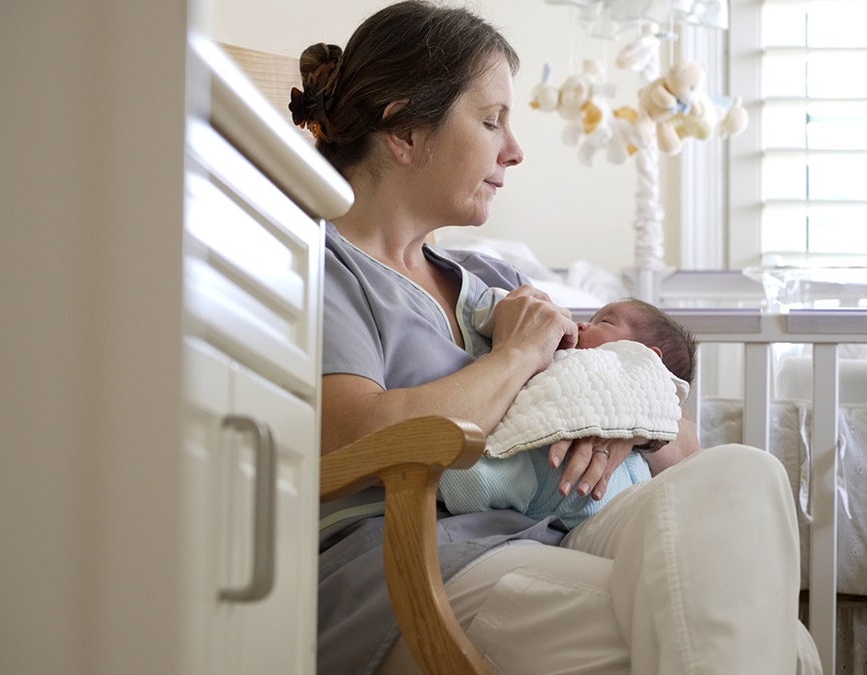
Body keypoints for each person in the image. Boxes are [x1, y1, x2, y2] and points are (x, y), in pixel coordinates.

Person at [293, 3, 814, 673]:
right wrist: (515, 356)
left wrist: (624, 419)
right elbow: (353, 436)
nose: (513, 150)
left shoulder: (490, 276)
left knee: (748, 471)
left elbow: (684, 449)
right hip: (417, 561)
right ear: (404, 131)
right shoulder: (326, 270)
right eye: (490, 121)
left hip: (559, 532)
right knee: (766, 641)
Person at [438, 298, 700, 528]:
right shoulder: (557, 352)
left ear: (646, 358)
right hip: (556, 484)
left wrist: (629, 420)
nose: (582, 325)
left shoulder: (631, 378)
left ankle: (447, 478)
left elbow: (688, 445)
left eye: (604, 322)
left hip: (595, 492)